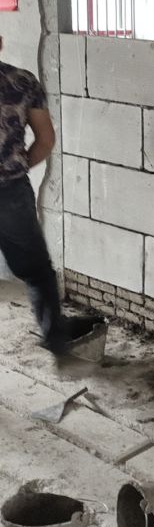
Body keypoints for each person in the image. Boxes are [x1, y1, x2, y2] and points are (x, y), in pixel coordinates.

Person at [0, 36, 68, 355]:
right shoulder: (23, 81)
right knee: (37, 271)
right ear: (0, 43)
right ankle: (56, 341)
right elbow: (46, 140)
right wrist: (19, 165)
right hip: (10, 191)